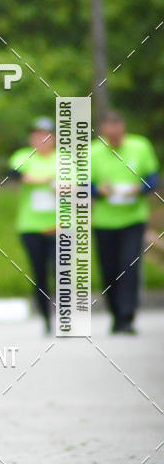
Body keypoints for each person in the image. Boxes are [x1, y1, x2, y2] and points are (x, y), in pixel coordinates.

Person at [91, 111, 159, 334]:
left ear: (123, 127)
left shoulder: (140, 146)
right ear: (103, 131)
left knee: (129, 266)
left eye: (117, 129)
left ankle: (128, 316)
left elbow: (153, 178)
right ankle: (116, 315)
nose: (113, 134)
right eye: (109, 130)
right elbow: (82, 185)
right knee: (109, 269)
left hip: (133, 218)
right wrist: (98, 191)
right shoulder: (93, 152)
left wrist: (139, 189)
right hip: (104, 220)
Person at [8, 118, 57, 333]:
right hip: (31, 226)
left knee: (61, 271)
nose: (40, 140)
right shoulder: (24, 155)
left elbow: (77, 185)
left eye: (44, 135)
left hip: (60, 225)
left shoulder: (65, 159)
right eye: (36, 135)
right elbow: (16, 173)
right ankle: (46, 319)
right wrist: (47, 179)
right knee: (40, 273)